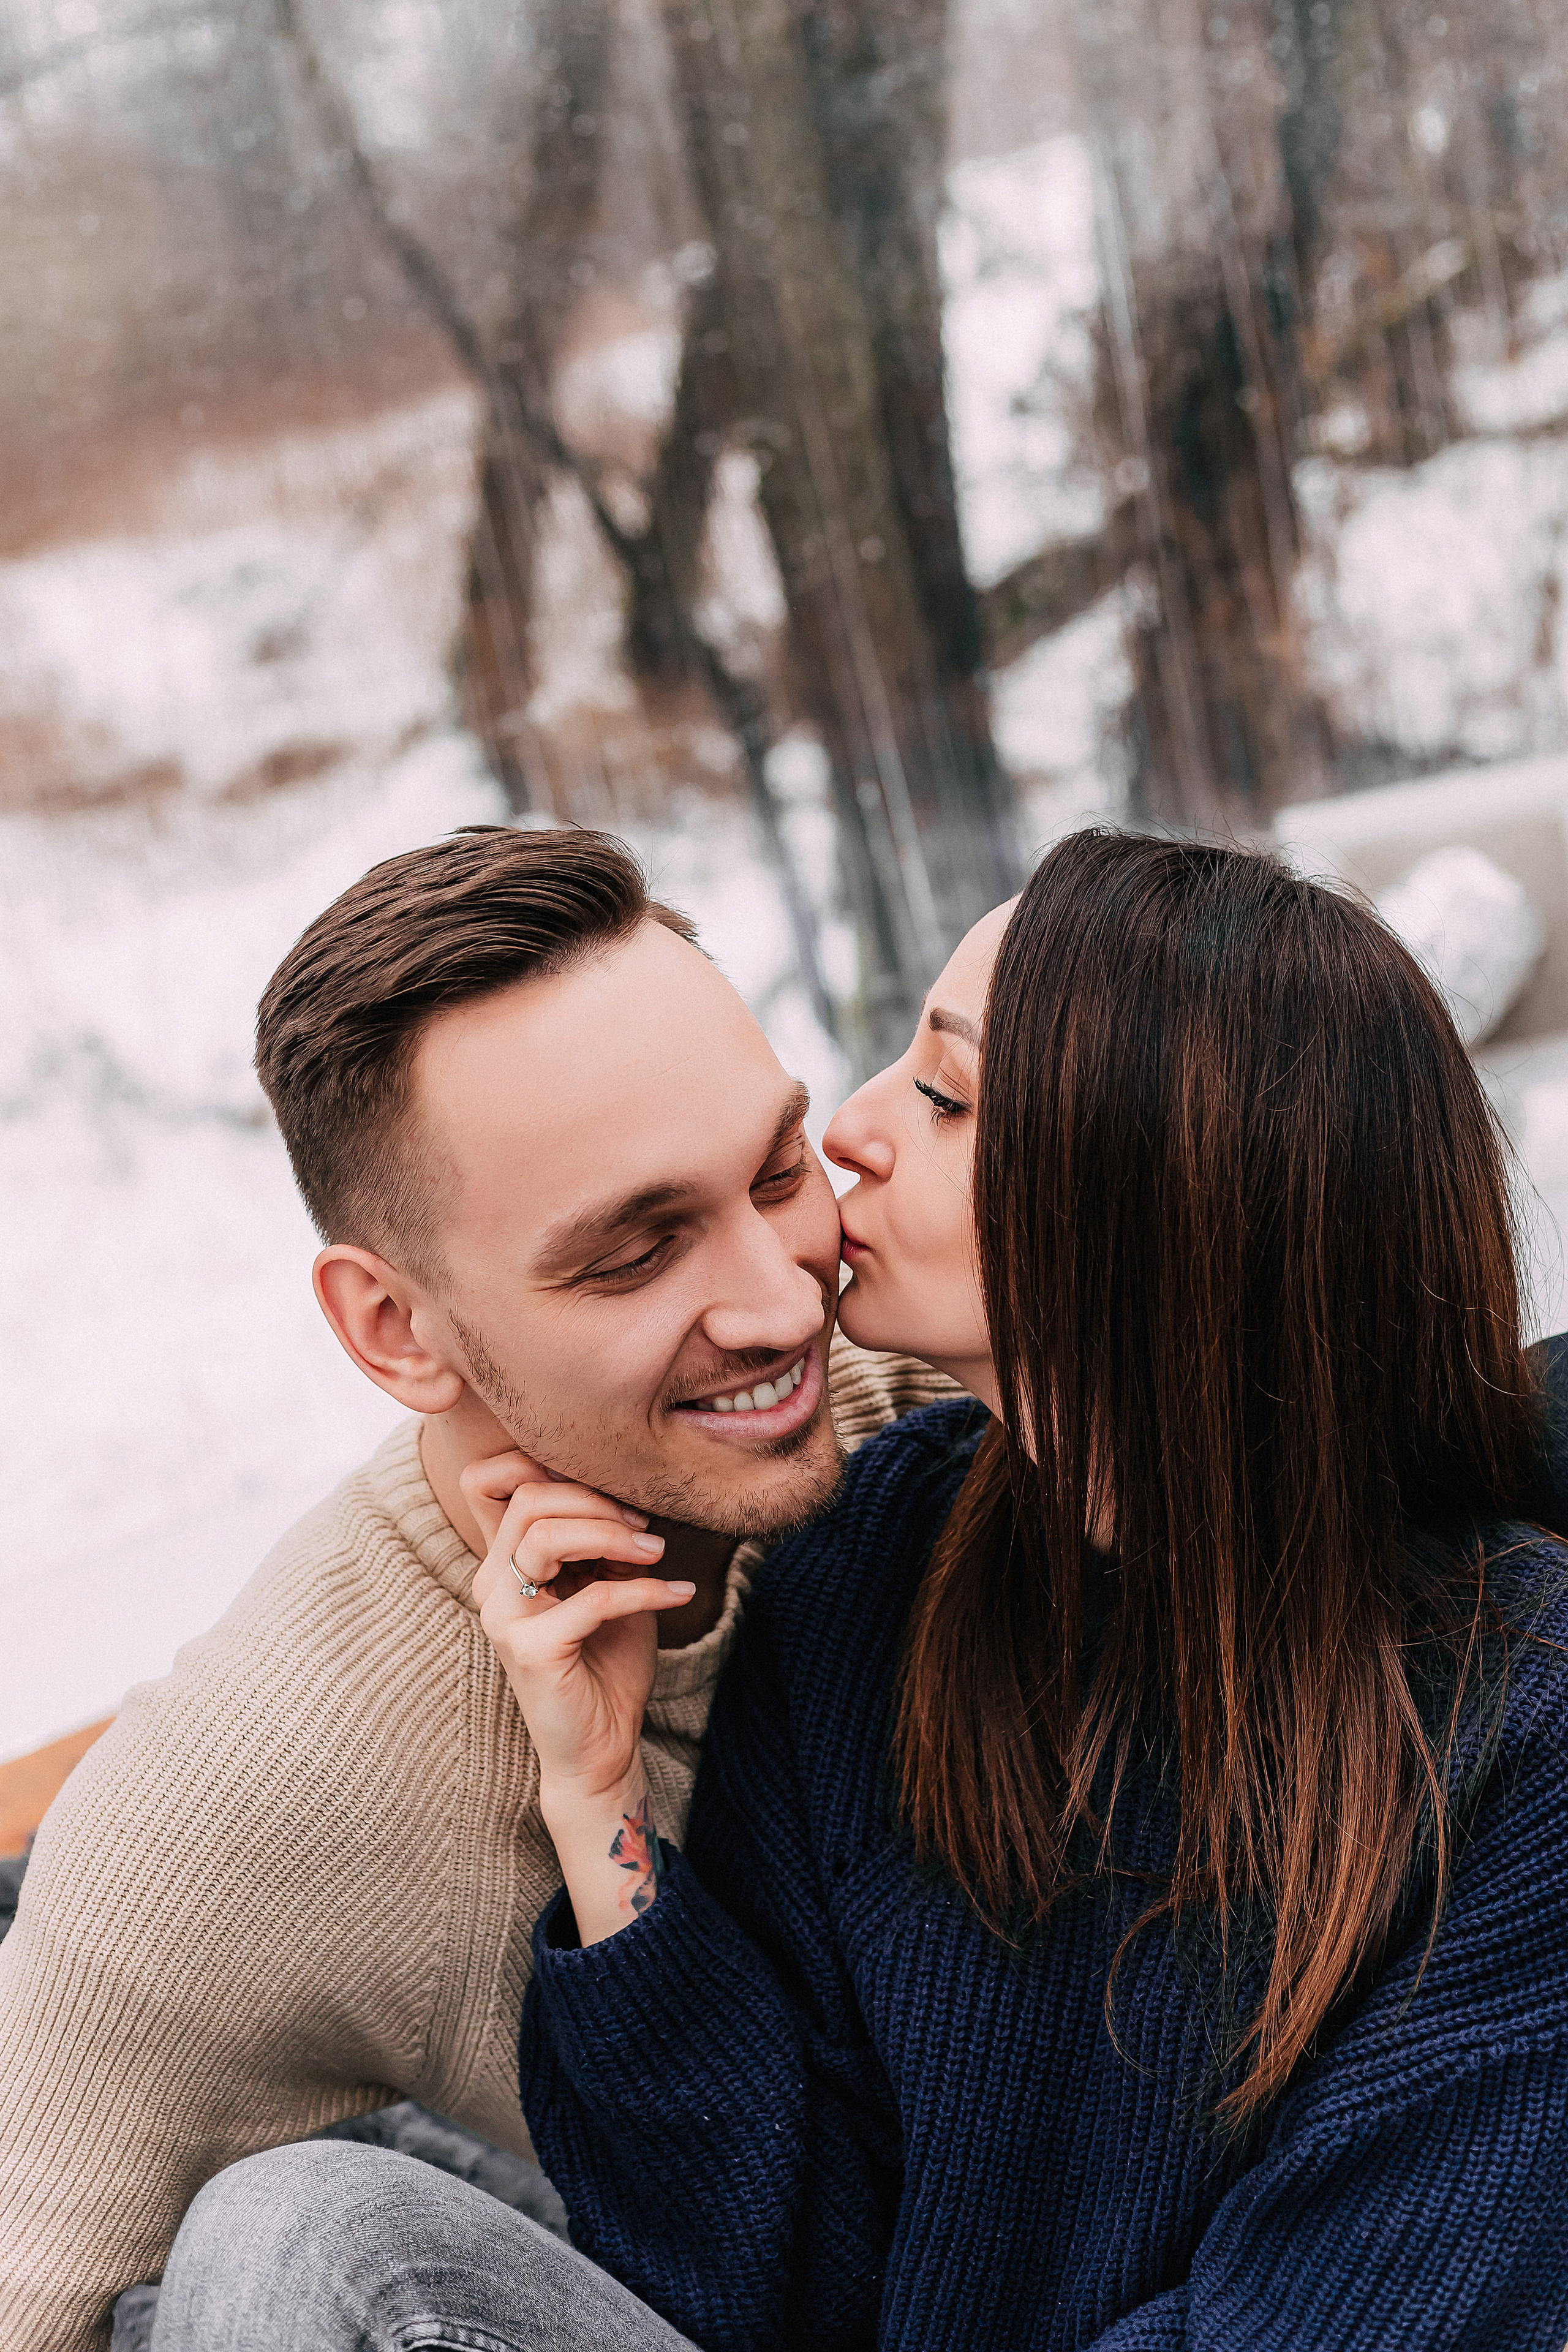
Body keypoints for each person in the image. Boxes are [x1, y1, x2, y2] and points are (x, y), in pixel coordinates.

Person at [157, 831, 1568, 2351]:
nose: (853, 1129)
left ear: (1163, 1192)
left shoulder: (1522, 1732)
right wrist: (599, 1807)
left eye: (944, 1096)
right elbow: (744, 2283)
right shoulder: (876, 1546)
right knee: (307, 2224)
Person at [0, 826, 954, 2352]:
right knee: (299, 2232)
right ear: (394, 1330)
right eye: (636, 1253)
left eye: (776, 1171)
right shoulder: (258, 1781)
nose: (785, 1304)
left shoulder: (945, 1382)